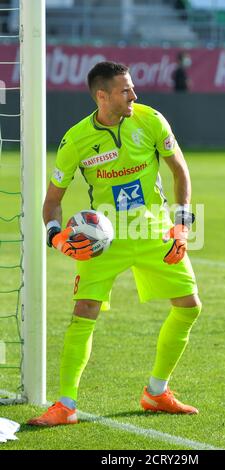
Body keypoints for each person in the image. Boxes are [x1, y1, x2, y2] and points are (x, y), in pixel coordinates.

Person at [28, 61, 202, 427]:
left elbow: (179, 170)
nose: (134, 95)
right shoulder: (75, 140)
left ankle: (156, 392)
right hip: (102, 238)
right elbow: (52, 200)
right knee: (84, 311)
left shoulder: (150, 119)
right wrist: (56, 236)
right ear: (102, 95)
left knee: (189, 306)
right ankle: (66, 405)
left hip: (155, 230)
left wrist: (182, 226)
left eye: (133, 88)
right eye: (125, 90)